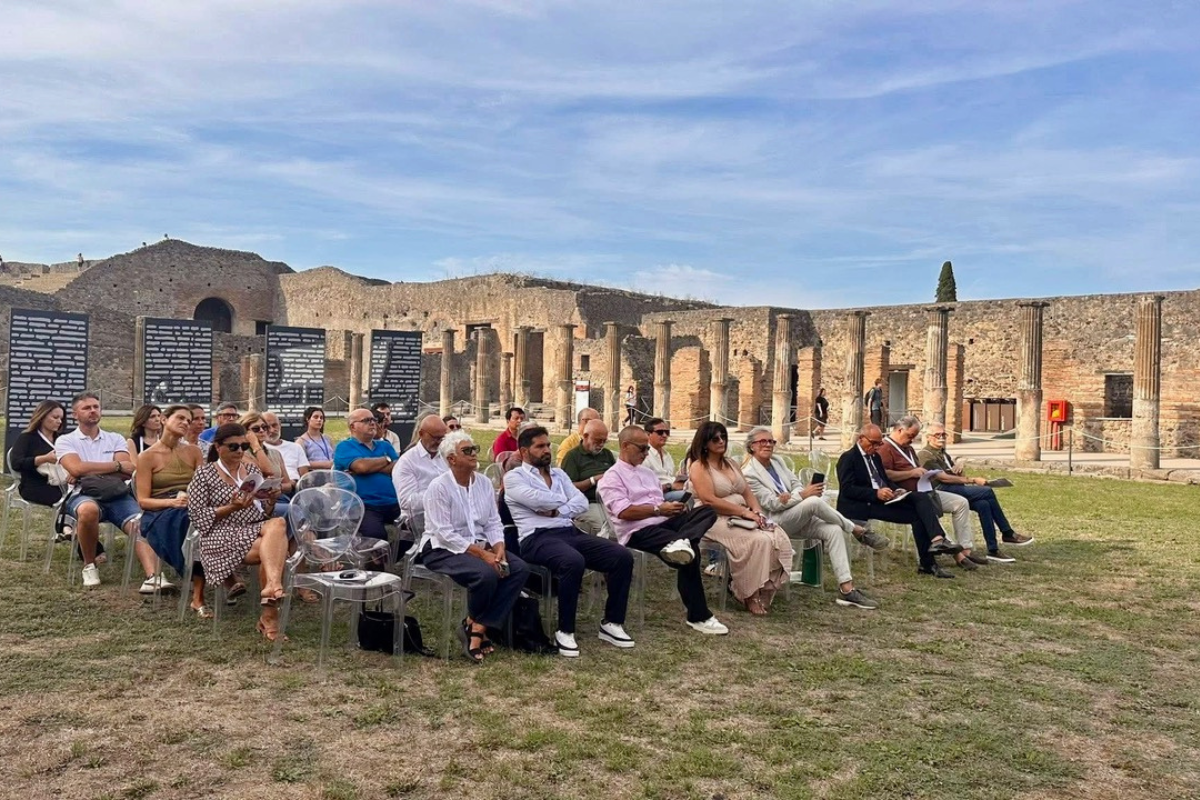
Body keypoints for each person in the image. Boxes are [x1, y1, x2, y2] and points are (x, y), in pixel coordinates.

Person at [503, 426, 635, 657]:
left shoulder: (559, 475)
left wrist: (556, 509)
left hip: (569, 531)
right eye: (540, 446)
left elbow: (581, 502)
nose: (547, 450)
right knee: (572, 561)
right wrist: (563, 502)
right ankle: (565, 630)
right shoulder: (514, 478)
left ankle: (612, 623)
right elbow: (537, 500)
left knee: (621, 556)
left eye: (548, 445)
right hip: (536, 537)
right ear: (524, 452)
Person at [598, 426, 729, 635]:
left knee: (707, 511)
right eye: (642, 449)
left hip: (662, 522)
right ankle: (699, 615)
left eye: (647, 449)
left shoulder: (648, 473)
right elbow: (623, 512)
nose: (646, 453)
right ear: (625, 446)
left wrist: (673, 510)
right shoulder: (611, 478)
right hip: (637, 531)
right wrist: (659, 509)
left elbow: (660, 502)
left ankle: (681, 542)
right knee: (690, 553)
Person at [741, 426, 882, 610]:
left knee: (833, 530)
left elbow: (796, 484)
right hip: (774, 522)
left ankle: (847, 588)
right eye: (763, 441)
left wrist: (793, 495)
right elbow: (772, 504)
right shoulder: (749, 473)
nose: (768, 445)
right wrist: (800, 495)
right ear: (752, 446)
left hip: (794, 515)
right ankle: (856, 529)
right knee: (813, 502)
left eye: (771, 441)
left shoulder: (777, 461)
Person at [418, 431, 530, 662]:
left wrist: (498, 547)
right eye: (467, 451)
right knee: (486, 574)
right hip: (441, 548)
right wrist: (483, 555)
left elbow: (492, 521)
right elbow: (444, 532)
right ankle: (478, 631)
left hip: (479, 544)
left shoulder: (484, 483)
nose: (474, 454)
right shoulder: (438, 487)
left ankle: (476, 625)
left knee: (518, 568)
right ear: (451, 459)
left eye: (475, 449)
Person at [186, 424, 288, 641]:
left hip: (253, 528)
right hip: (219, 535)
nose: (240, 451)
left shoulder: (251, 471)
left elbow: (264, 512)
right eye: (233, 446)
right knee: (270, 546)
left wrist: (271, 498)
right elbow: (197, 517)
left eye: (243, 446)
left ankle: (271, 589)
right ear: (218, 447)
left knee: (277, 522)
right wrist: (231, 507)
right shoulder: (204, 474)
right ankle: (270, 614)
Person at [56, 392, 167, 590]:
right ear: (75, 414)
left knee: (140, 523)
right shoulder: (66, 440)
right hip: (83, 493)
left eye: (96, 407)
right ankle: (89, 565)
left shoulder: (114, 438)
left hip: (117, 494)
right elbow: (76, 469)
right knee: (88, 510)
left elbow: (129, 468)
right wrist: (114, 466)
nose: (92, 411)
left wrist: (87, 469)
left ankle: (154, 576)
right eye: (86, 408)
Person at [687, 421, 792, 616]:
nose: (721, 441)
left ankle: (765, 588)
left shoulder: (732, 464)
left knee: (776, 536)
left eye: (724, 437)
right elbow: (709, 500)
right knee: (759, 540)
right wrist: (743, 512)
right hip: (711, 518)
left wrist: (758, 513)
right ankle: (747, 592)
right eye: (715, 438)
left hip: (742, 514)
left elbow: (747, 492)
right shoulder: (698, 466)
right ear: (704, 443)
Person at [835, 424, 962, 579]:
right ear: (861, 439)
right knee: (918, 514)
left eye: (879, 443)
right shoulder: (848, 458)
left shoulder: (875, 457)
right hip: (862, 505)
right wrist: (876, 493)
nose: (876, 447)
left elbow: (884, 480)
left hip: (883, 499)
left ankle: (935, 544)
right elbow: (848, 489)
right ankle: (929, 561)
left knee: (920, 499)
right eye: (873, 443)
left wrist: (896, 490)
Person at [879, 416, 982, 571]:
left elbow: (916, 468)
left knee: (960, 502)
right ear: (900, 430)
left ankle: (965, 548)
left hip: (925, 490)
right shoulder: (885, 448)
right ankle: (956, 554)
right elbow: (885, 474)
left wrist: (926, 473)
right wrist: (911, 474)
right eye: (910, 436)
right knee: (927, 511)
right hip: (907, 495)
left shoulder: (908, 448)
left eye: (914, 437)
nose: (912, 440)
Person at [917, 422, 1032, 561]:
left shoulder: (943, 454)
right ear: (928, 437)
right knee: (987, 491)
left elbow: (954, 477)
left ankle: (993, 549)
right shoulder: (925, 454)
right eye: (937, 435)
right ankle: (1007, 532)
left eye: (943, 434)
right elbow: (943, 479)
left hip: (953, 488)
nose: (941, 437)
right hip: (940, 491)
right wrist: (973, 480)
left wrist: (958, 470)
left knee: (984, 504)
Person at [135, 405, 210, 616]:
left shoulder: (194, 452)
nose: (186, 423)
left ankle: (207, 585)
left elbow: (203, 487)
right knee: (190, 522)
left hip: (191, 505)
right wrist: (171, 503)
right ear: (164, 420)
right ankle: (200, 593)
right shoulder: (147, 457)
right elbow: (143, 501)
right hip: (160, 511)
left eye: (189, 420)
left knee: (205, 518)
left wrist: (192, 498)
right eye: (181, 418)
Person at [334, 408, 401, 543]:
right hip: (363, 505)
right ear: (352, 426)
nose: (372, 423)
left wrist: (371, 466)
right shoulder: (344, 447)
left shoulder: (384, 445)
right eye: (366, 420)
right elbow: (361, 467)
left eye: (373, 420)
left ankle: (391, 562)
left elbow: (398, 467)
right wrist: (386, 460)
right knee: (376, 536)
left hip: (393, 502)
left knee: (417, 529)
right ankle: (376, 563)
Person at [392, 414, 449, 531]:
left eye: (442, 438)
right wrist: (439, 495)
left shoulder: (446, 456)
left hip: (448, 511)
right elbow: (407, 502)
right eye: (435, 437)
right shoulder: (407, 461)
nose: (439, 442)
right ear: (421, 434)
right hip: (419, 517)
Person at [560, 419, 615, 536]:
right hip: (587, 502)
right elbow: (568, 488)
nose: (601, 445)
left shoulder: (607, 454)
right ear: (585, 436)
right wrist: (594, 480)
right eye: (597, 441)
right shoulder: (573, 456)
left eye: (604, 441)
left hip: (610, 500)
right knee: (606, 526)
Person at [10, 399, 68, 508]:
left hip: (63, 482)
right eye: (55, 417)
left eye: (61, 418)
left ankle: (69, 524)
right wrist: (44, 459)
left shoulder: (62, 439)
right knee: (69, 502)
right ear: (42, 417)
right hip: (35, 486)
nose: (59, 421)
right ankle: (66, 524)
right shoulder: (27, 438)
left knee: (83, 498)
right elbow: (16, 463)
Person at [642, 417, 686, 501]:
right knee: (692, 496)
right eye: (660, 432)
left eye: (667, 432)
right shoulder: (644, 456)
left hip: (674, 489)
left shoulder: (667, 455)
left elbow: (669, 476)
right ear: (648, 434)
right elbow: (645, 488)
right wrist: (670, 486)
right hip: (658, 495)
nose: (665, 435)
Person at [261, 411, 310, 483]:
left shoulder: (296, 447)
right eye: (267, 427)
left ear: (280, 425)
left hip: (296, 487)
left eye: (274, 425)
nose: (272, 430)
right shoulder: (260, 449)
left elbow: (305, 477)